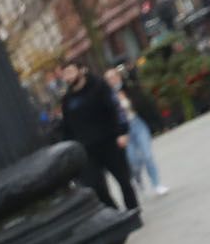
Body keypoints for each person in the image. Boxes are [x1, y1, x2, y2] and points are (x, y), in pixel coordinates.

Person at [57, 59, 138, 213]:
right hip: (87, 149)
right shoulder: (67, 100)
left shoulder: (99, 86)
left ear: (81, 71)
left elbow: (116, 109)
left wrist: (122, 132)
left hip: (110, 142)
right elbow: (67, 127)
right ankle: (114, 213)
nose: (67, 77)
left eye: (70, 72)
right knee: (95, 185)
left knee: (123, 180)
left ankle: (133, 210)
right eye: (64, 74)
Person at [107, 66, 169, 196]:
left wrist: (159, 123)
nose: (112, 80)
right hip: (124, 131)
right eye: (109, 79)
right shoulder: (107, 97)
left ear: (118, 77)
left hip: (138, 124)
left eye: (113, 77)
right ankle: (137, 178)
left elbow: (146, 104)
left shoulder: (130, 89)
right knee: (133, 160)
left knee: (147, 155)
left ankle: (157, 184)